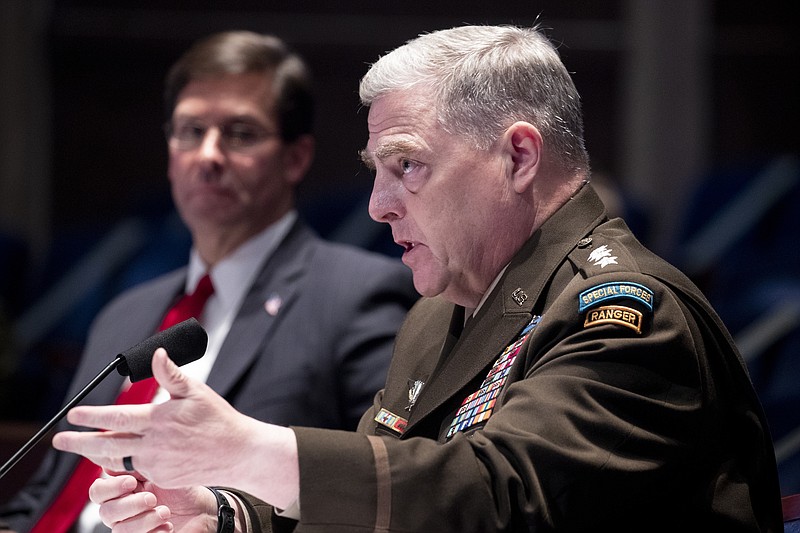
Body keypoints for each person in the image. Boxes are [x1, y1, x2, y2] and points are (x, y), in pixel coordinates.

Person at [49, 24, 783, 532]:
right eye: (377, 172)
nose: (377, 204)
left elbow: (503, 498)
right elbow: (390, 498)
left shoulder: (627, 312)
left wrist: (251, 451)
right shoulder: (444, 311)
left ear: (519, 156)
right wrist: (224, 513)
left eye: (409, 166)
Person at [0, 30, 417, 533]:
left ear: (296, 158)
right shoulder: (127, 311)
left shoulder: (357, 293)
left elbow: (378, 493)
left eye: (240, 134)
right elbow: (47, 497)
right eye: (190, 131)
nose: (208, 155)